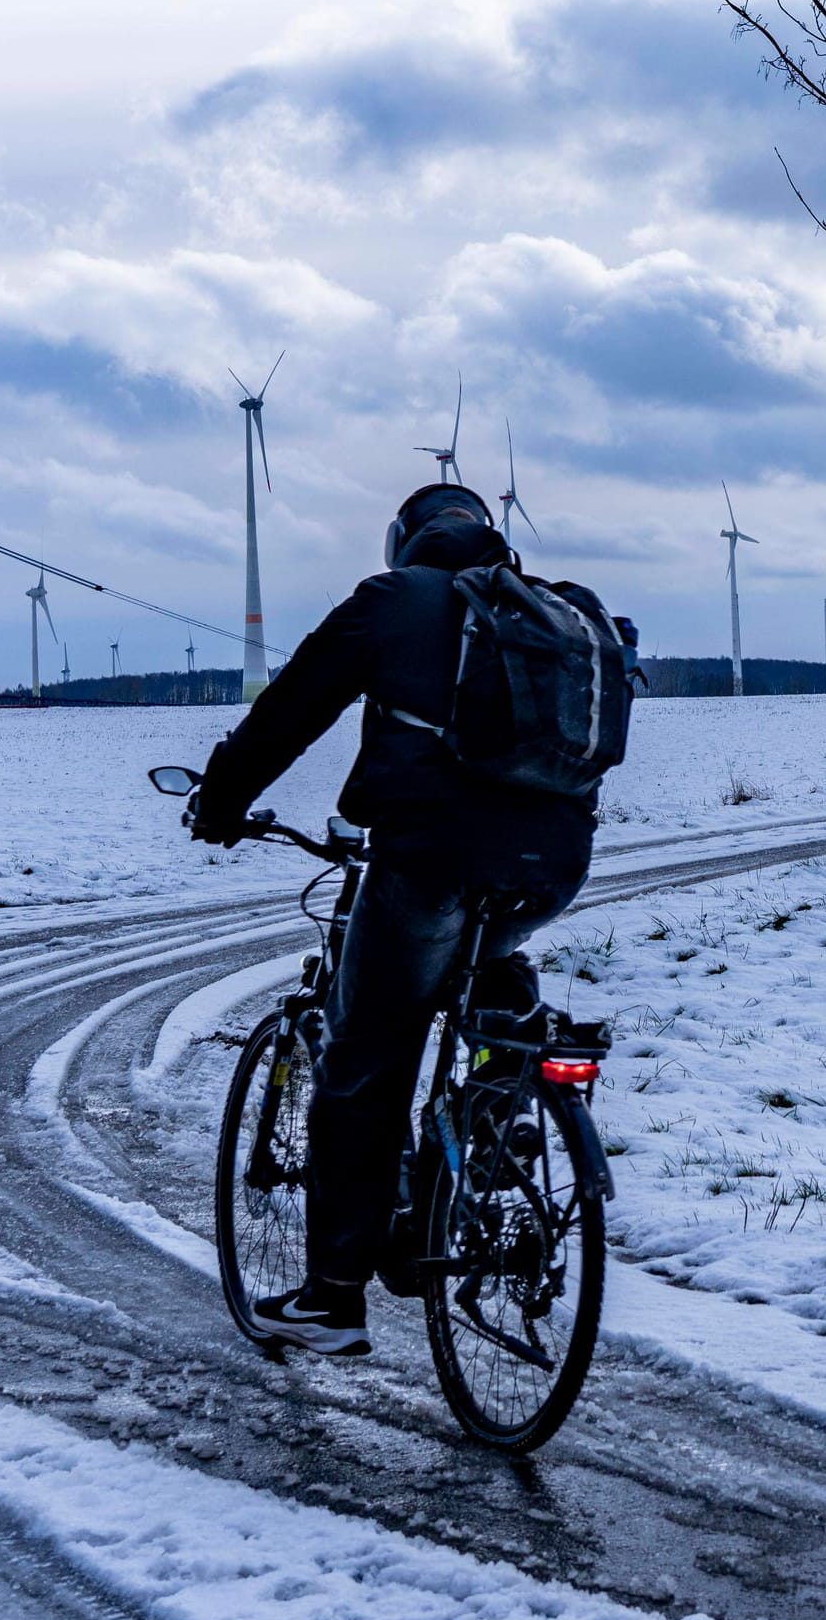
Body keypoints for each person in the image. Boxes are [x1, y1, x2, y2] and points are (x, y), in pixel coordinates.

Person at [190, 482, 598, 1357]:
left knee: (365, 1060)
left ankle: (333, 1297)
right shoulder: (561, 612)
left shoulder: (393, 601)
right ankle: (494, 1125)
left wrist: (221, 799)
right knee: (492, 973)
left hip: (429, 857)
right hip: (555, 860)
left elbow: (289, 710)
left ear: (405, 541)